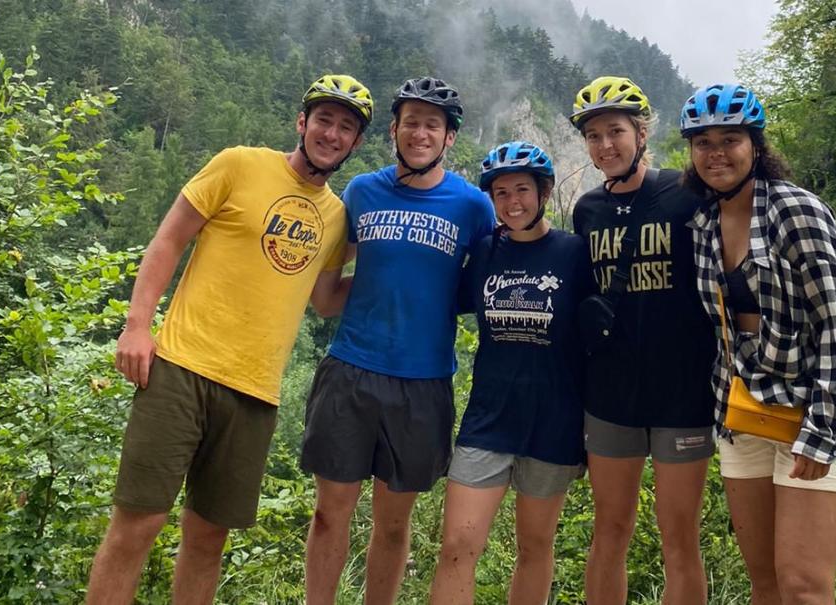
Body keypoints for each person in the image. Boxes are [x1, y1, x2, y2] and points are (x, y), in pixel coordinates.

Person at [85, 74, 373, 605]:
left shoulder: (336, 216)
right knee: (136, 528)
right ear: (302, 122)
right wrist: (137, 327)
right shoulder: (240, 163)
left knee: (207, 541)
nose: (332, 134)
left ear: (355, 143)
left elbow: (326, 300)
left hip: (255, 394)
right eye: (325, 120)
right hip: (180, 368)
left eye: (346, 127)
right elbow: (169, 239)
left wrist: (402, 274)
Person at [299, 76, 496, 605]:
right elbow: (325, 297)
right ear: (395, 129)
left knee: (391, 526)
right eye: (411, 121)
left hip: (423, 381)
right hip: (351, 370)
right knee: (328, 514)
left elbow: (485, 286)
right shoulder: (362, 191)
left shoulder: (474, 207)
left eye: (433, 124)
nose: (420, 132)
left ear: (450, 137)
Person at [680, 83, 836, 604]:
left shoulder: (795, 212)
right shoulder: (702, 223)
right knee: (764, 581)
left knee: (804, 586)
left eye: (730, 139)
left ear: (756, 146)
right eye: (703, 143)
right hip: (744, 414)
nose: (716, 153)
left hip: (809, 409)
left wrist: (823, 428)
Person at [569, 76, 717, 605]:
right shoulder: (586, 211)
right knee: (609, 533)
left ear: (642, 132)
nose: (605, 145)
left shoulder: (686, 194)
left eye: (616, 131)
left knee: (681, 539)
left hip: (682, 393)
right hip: (610, 396)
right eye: (594, 136)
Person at [428, 142, 594, 605]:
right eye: (500, 193)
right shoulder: (484, 253)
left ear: (543, 192)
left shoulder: (574, 254)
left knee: (535, 546)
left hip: (554, 421)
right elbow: (446, 300)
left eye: (522, 189)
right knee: (458, 546)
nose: (512, 201)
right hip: (489, 419)